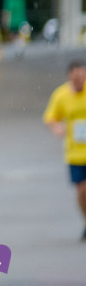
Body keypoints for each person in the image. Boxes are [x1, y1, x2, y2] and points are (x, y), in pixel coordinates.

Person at [42, 59, 86, 241]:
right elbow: (50, 117)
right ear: (69, 77)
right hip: (75, 152)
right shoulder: (61, 95)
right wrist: (57, 128)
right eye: (75, 77)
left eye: (82, 76)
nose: (79, 80)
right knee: (82, 191)